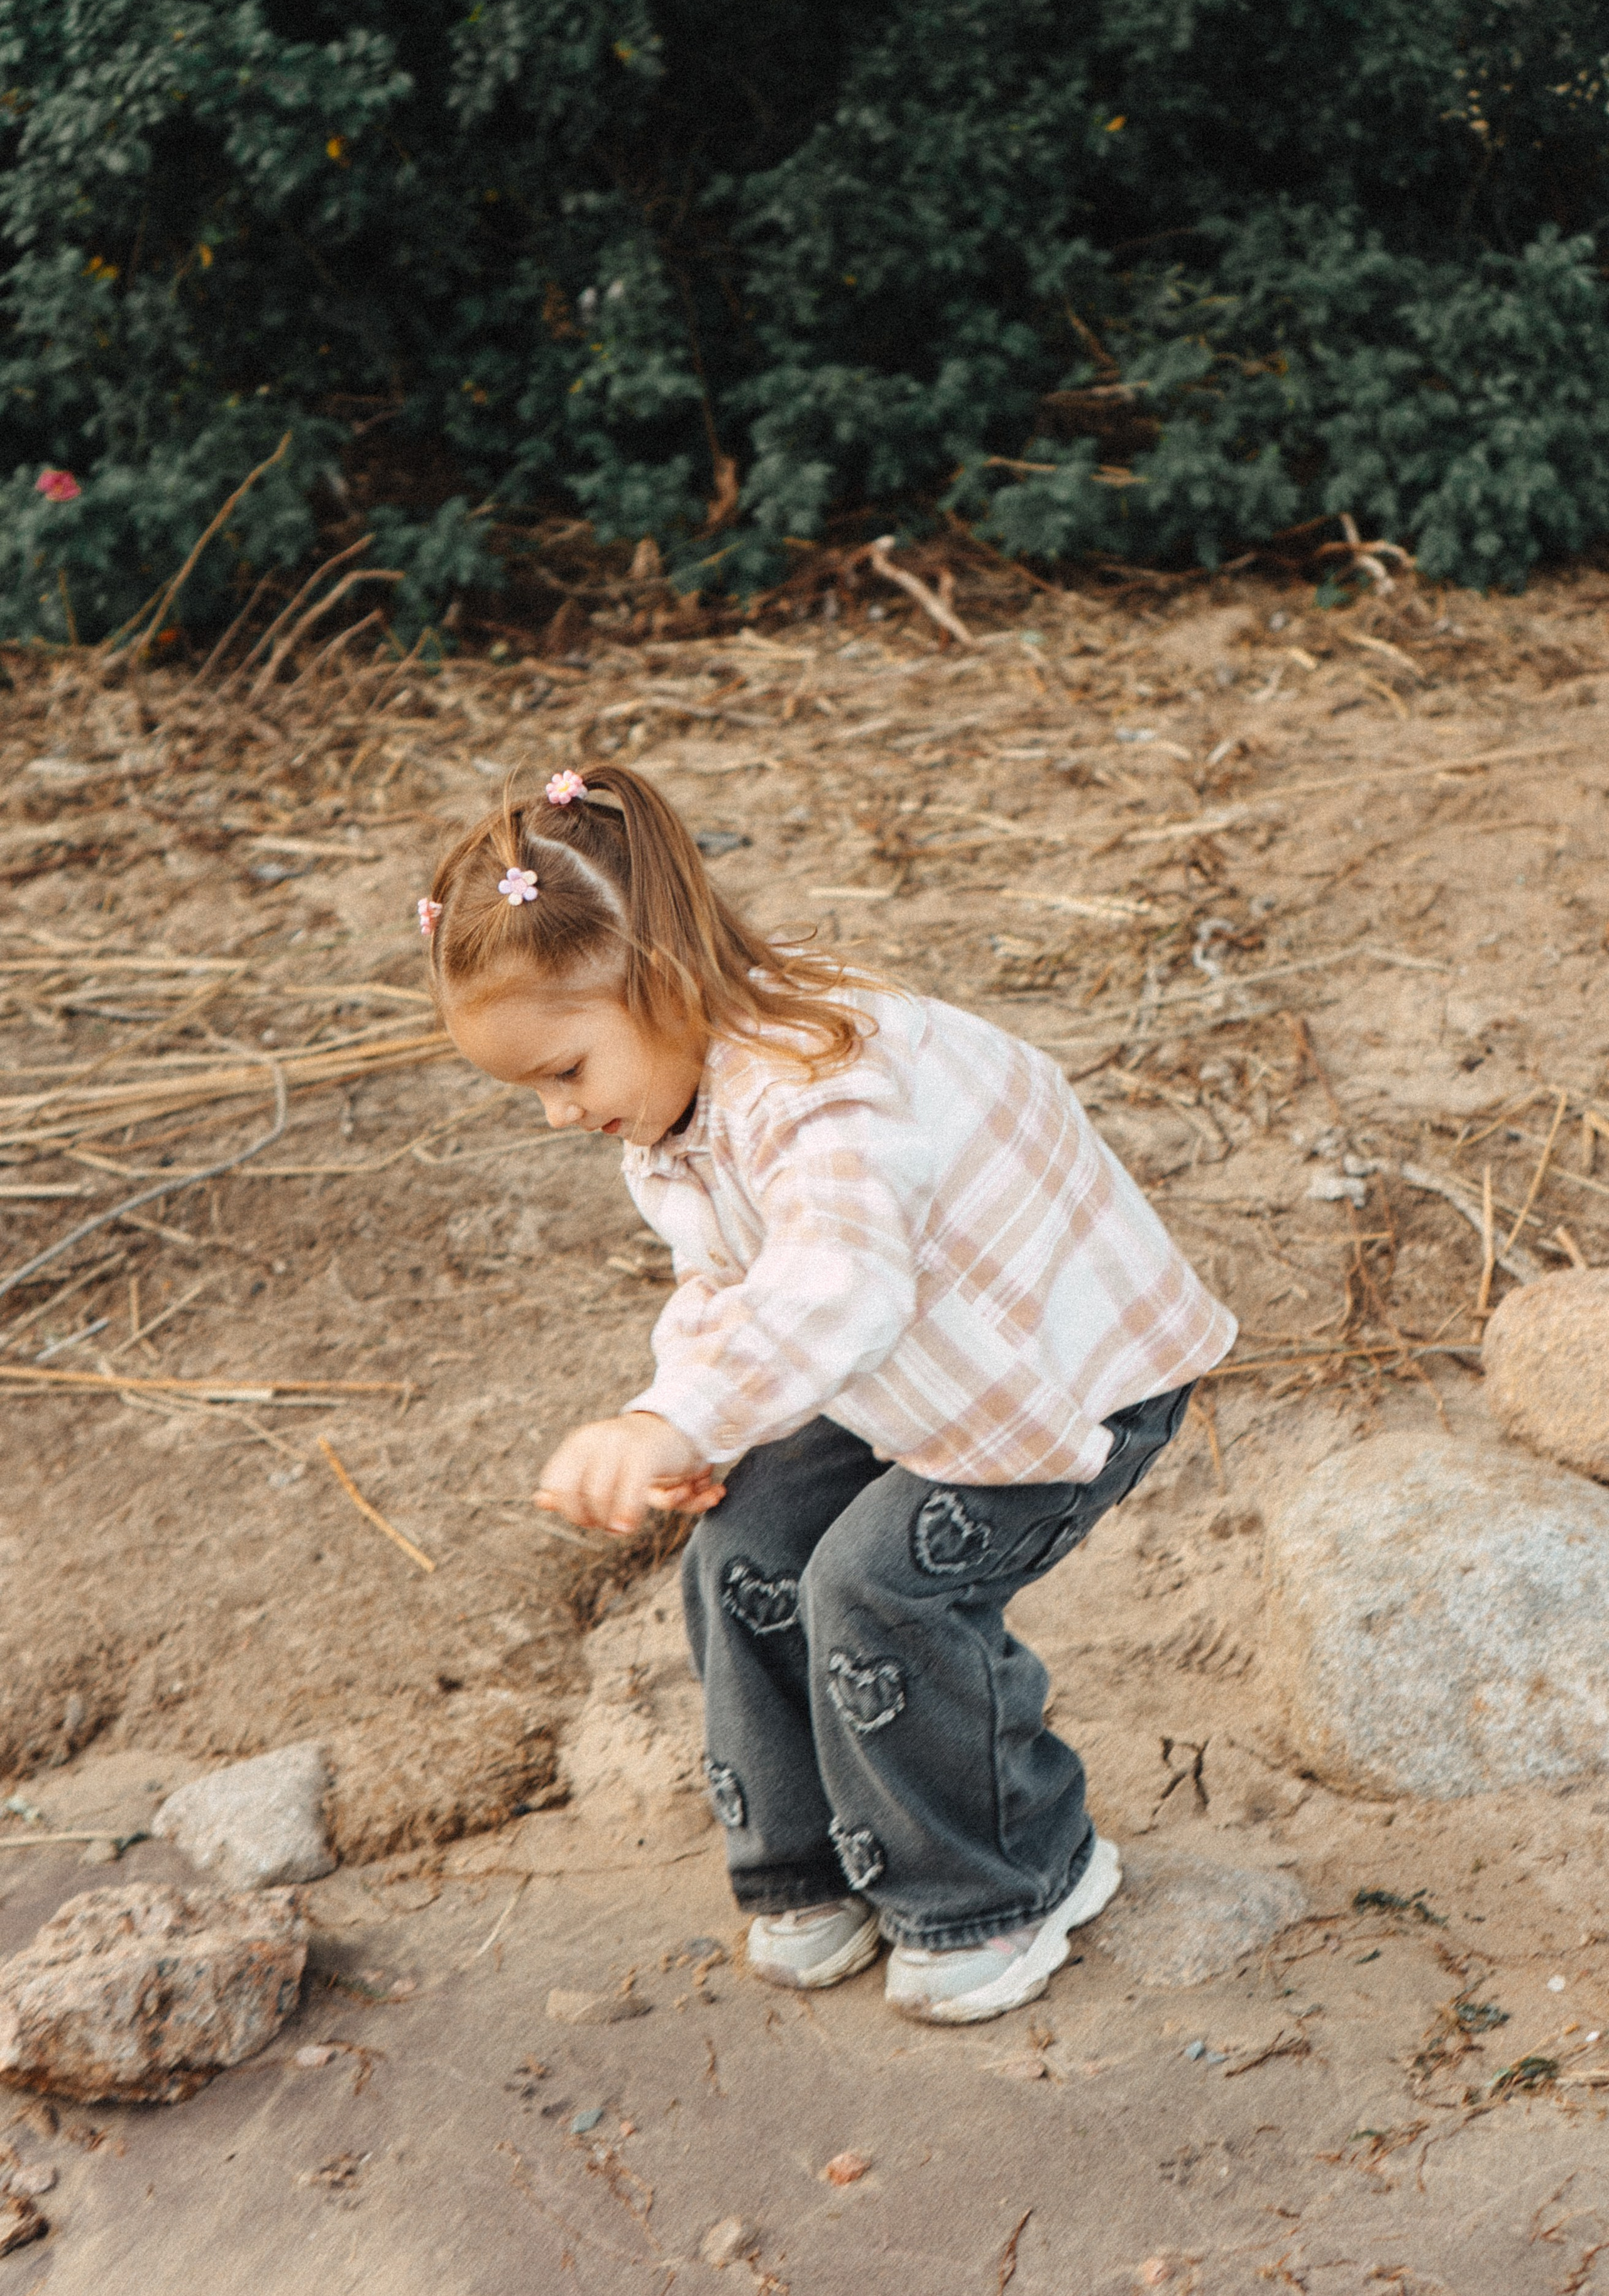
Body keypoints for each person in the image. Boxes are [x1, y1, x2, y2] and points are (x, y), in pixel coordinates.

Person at [420, 761, 1236, 2024]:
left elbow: (834, 1286)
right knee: (741, 1537)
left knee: (880, 1584)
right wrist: (692, 1412)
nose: (552, 1114)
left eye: (564, 1072)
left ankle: (1016, 1876)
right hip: (908, 1379)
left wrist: (676, 1416)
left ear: (662, 982)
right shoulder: (671, 1104)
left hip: (1061, 1384)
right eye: (529, 1088)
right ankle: (812, 1861)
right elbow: (726, 1284)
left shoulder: (825, 1082)